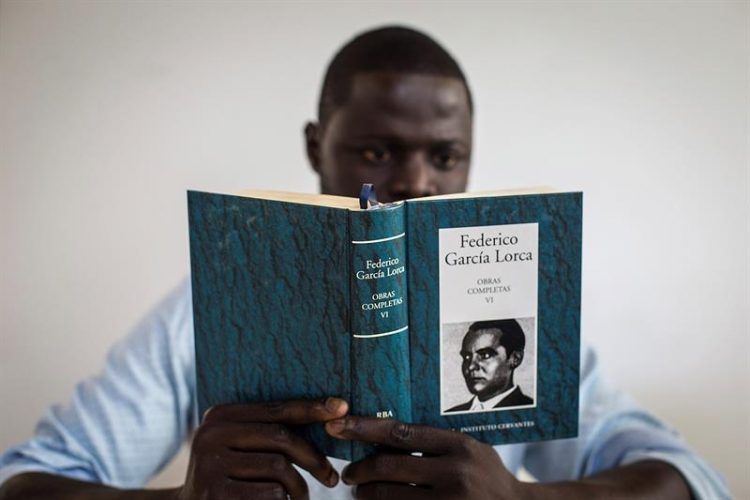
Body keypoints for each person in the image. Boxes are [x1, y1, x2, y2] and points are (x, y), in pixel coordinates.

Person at [0, 26, 730, 500]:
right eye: (376, 151)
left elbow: (693, 481)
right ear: (317, 146)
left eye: (445, 156)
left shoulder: (506, 306)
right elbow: (25, 482)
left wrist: (521, 497)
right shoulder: (212, 308)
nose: (416, 182)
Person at [446, 319, 533, 413]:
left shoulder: (530, 411)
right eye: (467, 357)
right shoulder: (450, 415)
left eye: (485, 355)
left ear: (515, 359)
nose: (471, 366)